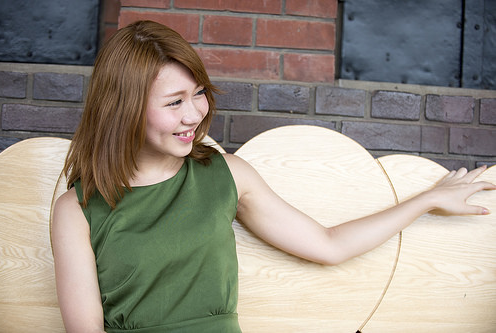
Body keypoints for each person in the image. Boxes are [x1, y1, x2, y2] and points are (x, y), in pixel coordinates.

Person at [51, 20, 495, 333]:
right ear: (124, 109)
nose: (194, 114)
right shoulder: (78, 209)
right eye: (174, 102)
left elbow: (328, 244)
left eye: (199, 93)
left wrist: (426, 200)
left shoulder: (225, 174)